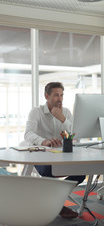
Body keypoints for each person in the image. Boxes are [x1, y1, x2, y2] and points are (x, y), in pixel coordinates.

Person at [24, 82, 85, 219]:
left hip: (61, 157)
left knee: (81, 173)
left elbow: (76, 133)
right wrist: (44, 141)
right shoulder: (36, 112)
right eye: (56, 95)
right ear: (47, 96)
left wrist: (62, 118)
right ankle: (60, 206)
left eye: (62, 95)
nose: (60, 99)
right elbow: (28, 134)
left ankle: (55, 201)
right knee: (48, 172)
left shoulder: (66, 113)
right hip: (40, 156)